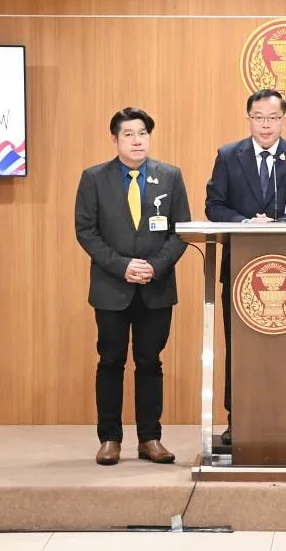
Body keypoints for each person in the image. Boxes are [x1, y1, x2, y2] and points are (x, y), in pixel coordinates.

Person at [205, 89, 286, 444]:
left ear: (284, 120)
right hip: (241, 267)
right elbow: (214, 204)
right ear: (249, 118)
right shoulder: (229, 156)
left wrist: (281, 225)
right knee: (239, 347)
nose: (266, 124)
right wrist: (245, 224)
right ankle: (237, 418)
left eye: (273, 118)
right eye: (259, 117)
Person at [75, 107, 191, 466]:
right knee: (110, 361)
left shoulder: (170, 176)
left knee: (150, 362)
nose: (137, 140)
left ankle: (150, 438)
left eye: (142, 133)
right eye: (128, 134)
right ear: (115, 140)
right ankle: (109, 438)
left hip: (156, 288)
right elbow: (86, 232)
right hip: (112, 287)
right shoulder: (94, 177)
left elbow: (181, 231)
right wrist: (123, 266)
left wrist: (154, 267)